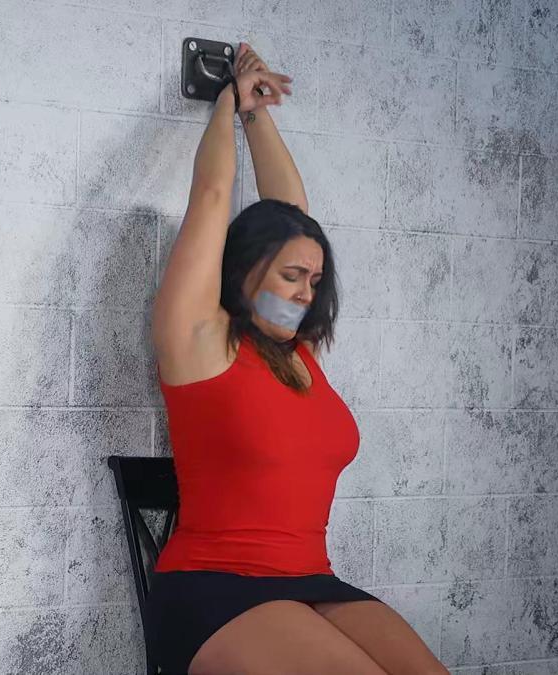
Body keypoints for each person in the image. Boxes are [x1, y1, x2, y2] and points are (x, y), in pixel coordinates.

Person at [146, 44, 448, 674]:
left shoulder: (297, 354)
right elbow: (212, 197)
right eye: (291, 276)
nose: (307, 292)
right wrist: (228, 100)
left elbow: (294, 219)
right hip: (214, 588)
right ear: (245, 268)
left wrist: (259, 115)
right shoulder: (200, 340)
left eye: (314, 280)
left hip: (312, 582)